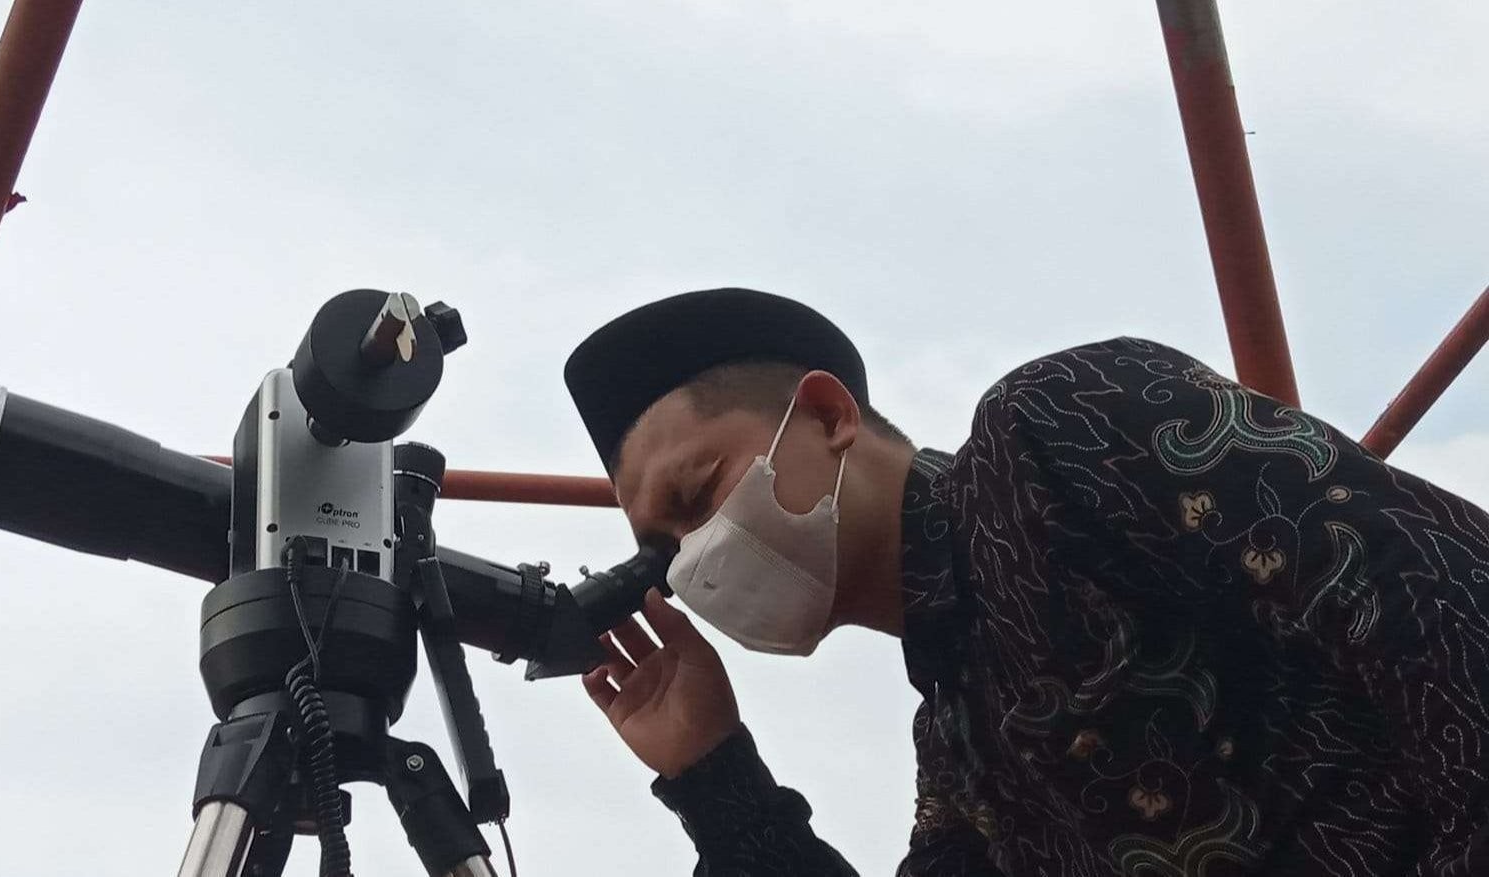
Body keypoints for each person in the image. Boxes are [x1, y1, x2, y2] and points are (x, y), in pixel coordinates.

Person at [561, 287, 1489, 876]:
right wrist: (715, 774)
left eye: (697, 492)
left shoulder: (1054, 432)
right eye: (663, 549)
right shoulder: (959, 751)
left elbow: (1440, 600)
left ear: (828, 413)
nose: (694, 556)